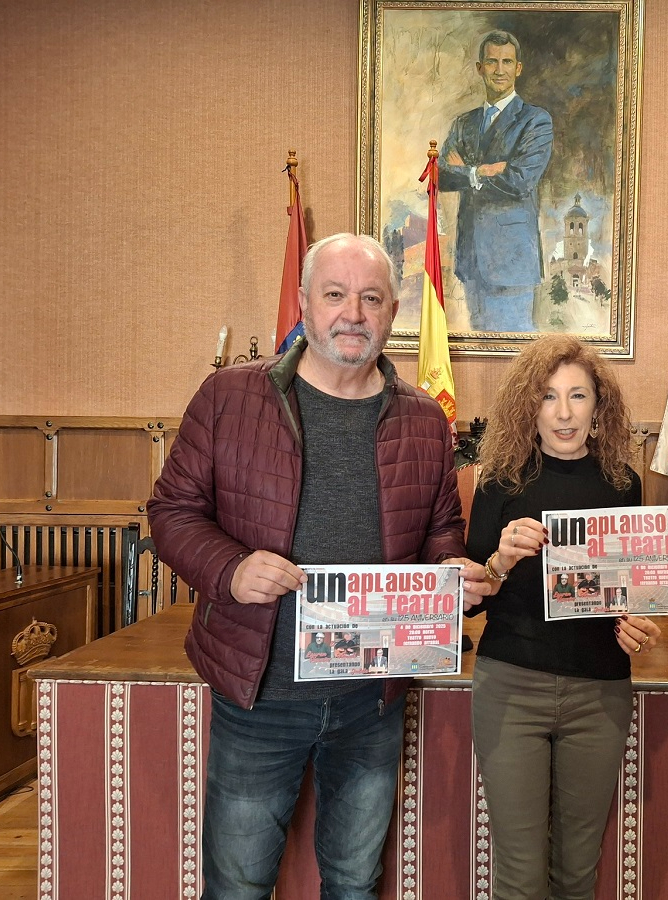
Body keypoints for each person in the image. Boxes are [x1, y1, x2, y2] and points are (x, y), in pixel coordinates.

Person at [147, 232, 491, 900]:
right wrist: (231, 568)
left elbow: (440, 534)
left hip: (373, 699)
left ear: (393, 312)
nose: (352, 313)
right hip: (259, 694)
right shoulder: (228, 397)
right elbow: (171, 512)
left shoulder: (425, 420)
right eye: (335, 295)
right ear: (304, 303)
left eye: (370, 298)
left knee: (355, 882)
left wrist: (456, 575)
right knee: (239, 885)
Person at [466, 334, 661, 899]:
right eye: (549, 397)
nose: (565, 412)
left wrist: (636, 623)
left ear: (599, 409)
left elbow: (631, 589)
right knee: (519, 875)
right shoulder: (500, 482)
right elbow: (475, 596)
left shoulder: (625, 485)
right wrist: (499, 560)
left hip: (598, 692)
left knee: (578, 872)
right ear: (531, 406)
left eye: (578, 396)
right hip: (511, 688)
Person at [438, 30, 553, 333]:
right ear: (480, 68)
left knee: (513, 362)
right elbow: (443, 176)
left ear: (518, 68)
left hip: (511, 263)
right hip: (471, 260)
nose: (499, 70)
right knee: (479, 356)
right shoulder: (465, 123)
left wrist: (468, 171)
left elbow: (519, 180)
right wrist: (484, 171)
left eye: (506, 62)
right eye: (491, 62)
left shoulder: (535, 120)